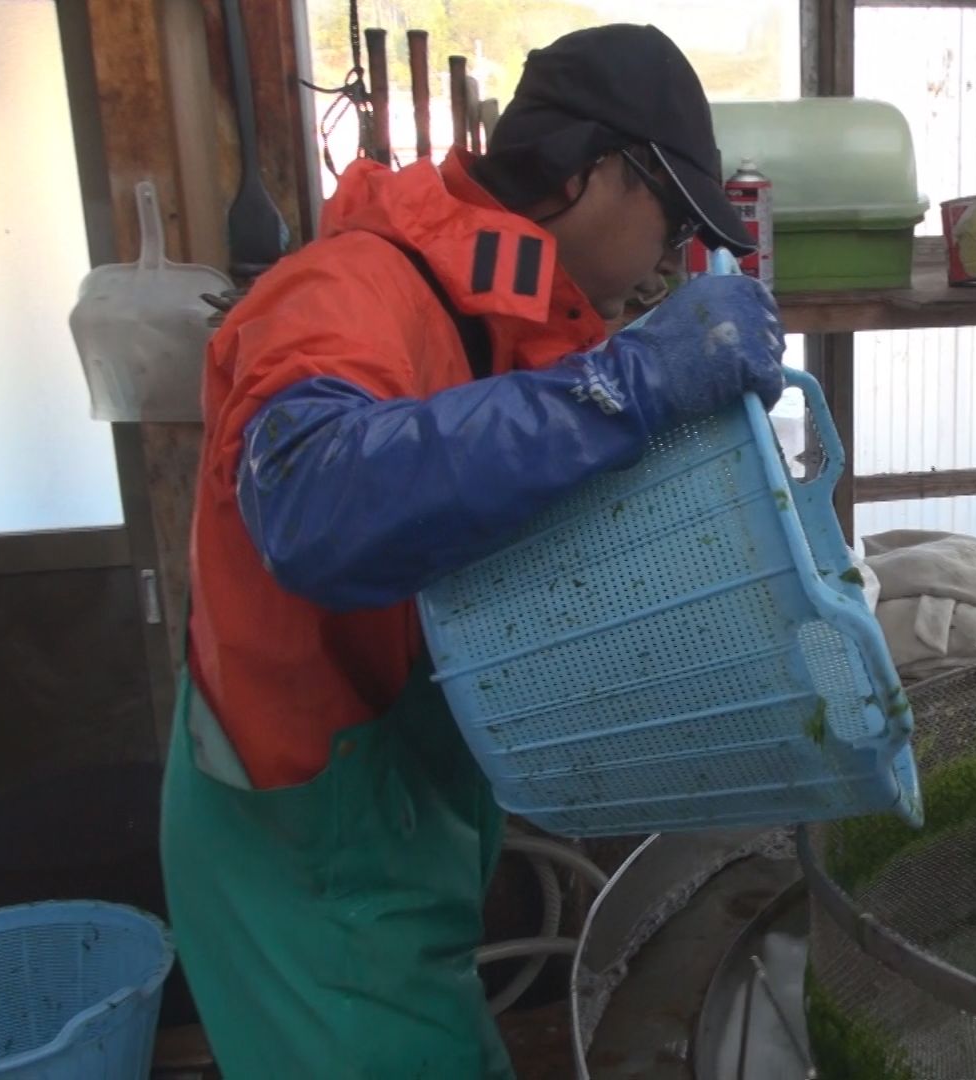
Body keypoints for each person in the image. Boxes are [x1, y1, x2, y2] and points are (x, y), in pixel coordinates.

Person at [158, 24, 784, 1079]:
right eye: (672, 218)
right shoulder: (352, 288)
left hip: (395, 807)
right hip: (300, 835)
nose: (671, 260)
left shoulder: (508, 315)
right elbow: (316, 502)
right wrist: (622, 387)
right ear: (594, 175)